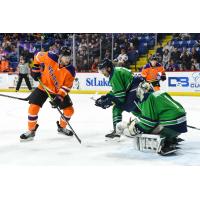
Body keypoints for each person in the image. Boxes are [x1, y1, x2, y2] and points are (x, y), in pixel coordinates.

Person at [20, 47, 76, 141]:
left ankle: (62, 127)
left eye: (69, 57)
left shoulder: (71, 70)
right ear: (60, 56)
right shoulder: (50, 56)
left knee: (69, 111)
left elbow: (66, 87)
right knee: (33, 108)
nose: (67, 59)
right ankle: (31, 130)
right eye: (65, 57)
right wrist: (35, 69)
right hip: (43, 87)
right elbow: (37, 56)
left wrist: (59, 97)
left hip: (57, 92)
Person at [116, 82, 187, 155]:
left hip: (171, 126)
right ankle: (171, 138)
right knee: (159, 123)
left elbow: (148, 123)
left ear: (141, 91)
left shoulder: (148, 98)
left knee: (149, 130)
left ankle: (166, 142)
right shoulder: (159, 93)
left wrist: (136, 127)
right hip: (181, 123)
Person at [94, 59, 143, 140]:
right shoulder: (116, 71)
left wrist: (108, 101)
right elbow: (119, 91)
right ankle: (148, 122)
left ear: (108, 68)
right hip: (137, 89)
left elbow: (121, 98)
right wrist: (107, 96)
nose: (102, 73)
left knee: (117, 108)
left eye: (103, 70)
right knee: (133, 109)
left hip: (135, 90)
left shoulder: (114, 75)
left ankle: (117, 132)